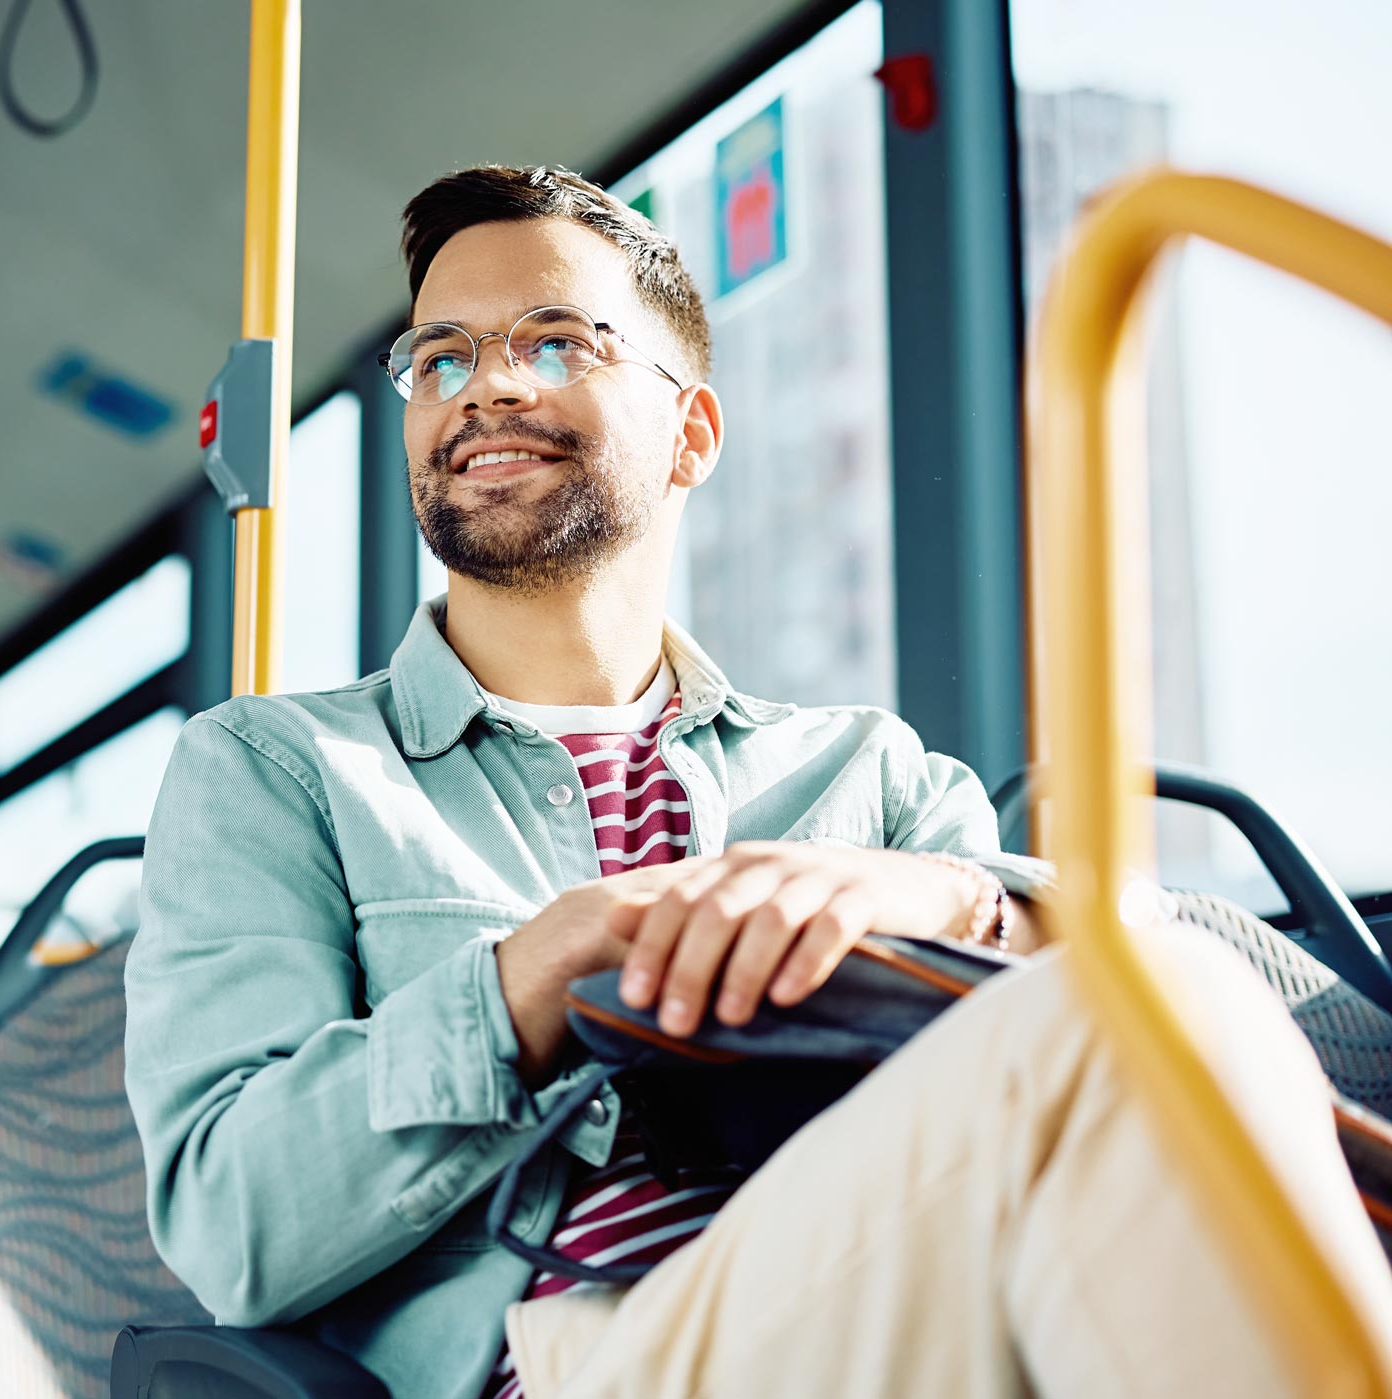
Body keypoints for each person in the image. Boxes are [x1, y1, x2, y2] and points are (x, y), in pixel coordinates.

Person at [125, 166, 1392, 1398]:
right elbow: (231, 1226)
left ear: (690, 435)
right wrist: (538, 972)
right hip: (564, 1352)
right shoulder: (275, 769)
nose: (486, 384)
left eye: (555, 341)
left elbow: (1183, 982)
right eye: (439, 358)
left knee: (1149, 1004)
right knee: (1119, 1025)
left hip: (923, 1295)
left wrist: (944, 899)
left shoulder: (868, 777)